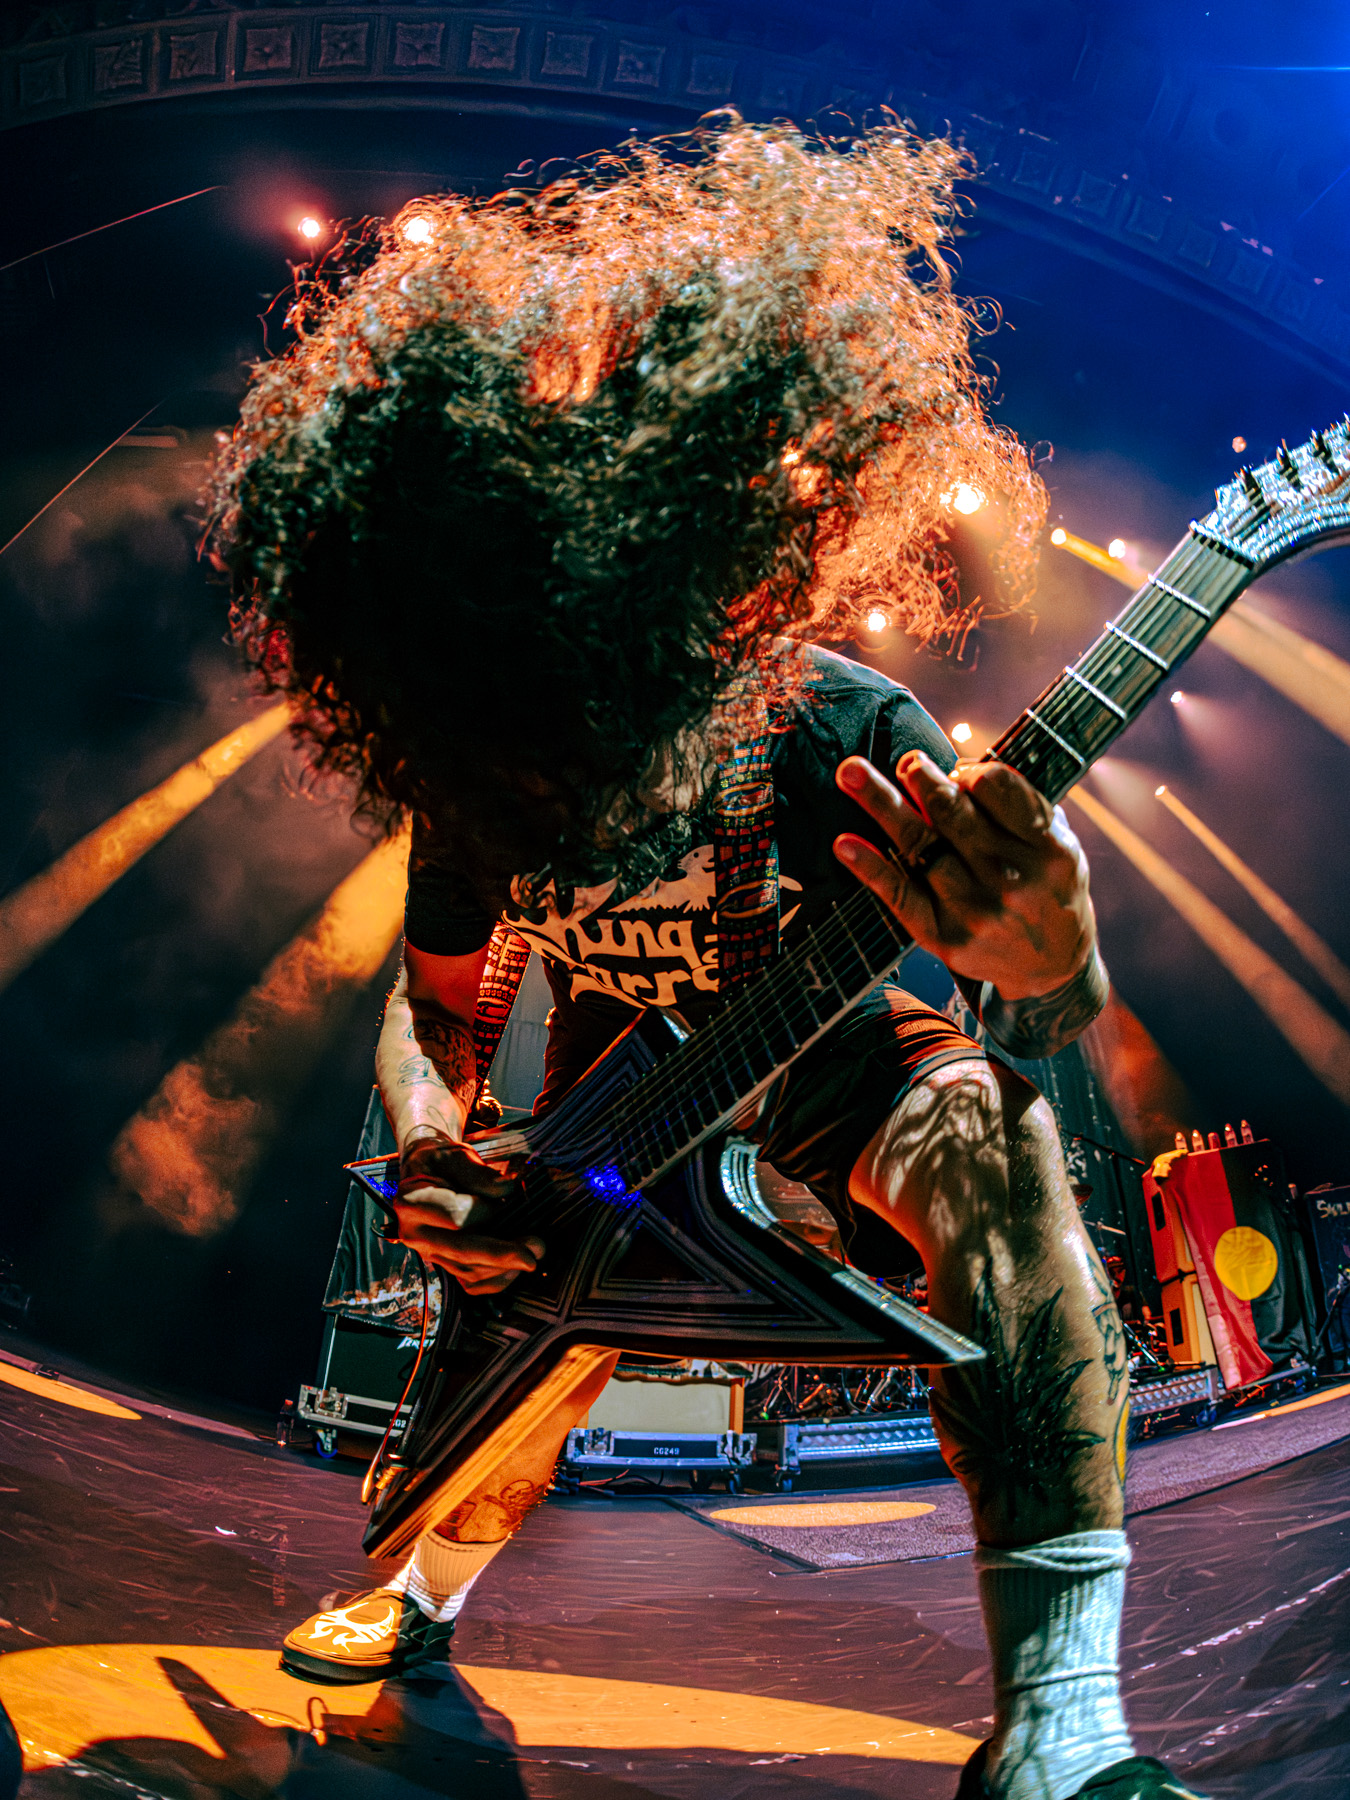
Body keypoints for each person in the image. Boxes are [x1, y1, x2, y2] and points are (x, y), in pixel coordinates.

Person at [209, 117, 1201, 1800]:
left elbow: (1038, 1018)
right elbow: (430, 1004)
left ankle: (1058, 1718)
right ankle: (421, 1594)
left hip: (837, 1074)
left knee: (990, 1132)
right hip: (615, 1139)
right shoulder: (484, 763)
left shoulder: (839, 726)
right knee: (538, 1297)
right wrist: (439, 1141)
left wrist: (1054, 960)